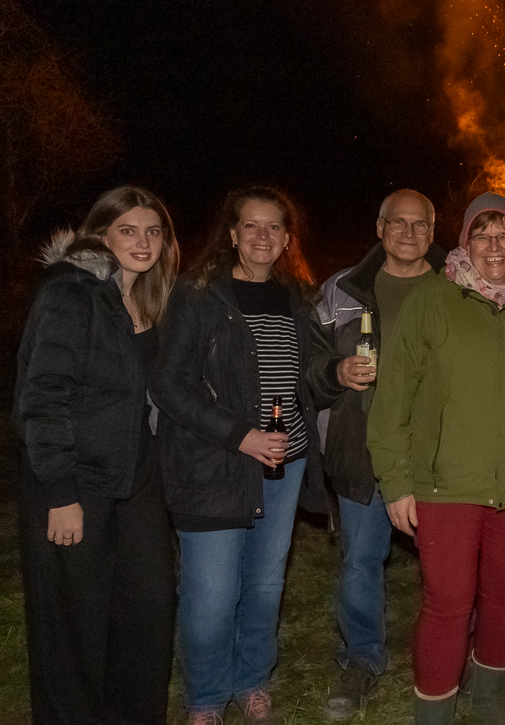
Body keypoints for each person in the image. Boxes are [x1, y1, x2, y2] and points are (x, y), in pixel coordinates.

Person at [367, 192, 505, 725]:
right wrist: (396, 481)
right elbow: (393, 398)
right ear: (464, 242)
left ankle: (489, 701)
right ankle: (433, 714)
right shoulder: (432, 299)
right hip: (445, 484)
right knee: (448, 602)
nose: (495, 246)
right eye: (483, 234)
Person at [152, 185, 323, 725]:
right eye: (251, 225)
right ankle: (206, 697)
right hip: (213, 463)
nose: (262, 236)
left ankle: (252, 680)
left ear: (287, 238)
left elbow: (308, 377)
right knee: (210, 591)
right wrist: (240, 436)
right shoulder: (199, 295)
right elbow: (169, 385)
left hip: (284, 462)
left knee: (264, 582)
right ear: (231, 234)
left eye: (274, 227)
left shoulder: (297, 298)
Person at [15, 186, 179, 725]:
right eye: (128, 230)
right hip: (73, 479)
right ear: (100, 236)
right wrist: (60, 494)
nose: (143, 242)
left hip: (136, 479)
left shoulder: (147, 298)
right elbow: (41, 398)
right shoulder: (71, 291)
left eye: (153, 231)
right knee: (75, 623)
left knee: (148, 605)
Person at [307, 189, 445, 720]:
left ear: (433, 232)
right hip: (362, 448)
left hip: (437, 450)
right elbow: (310, 363)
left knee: (447, 560)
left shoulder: (457, 288)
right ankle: (361, 657)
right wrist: (335, 373)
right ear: (380, 227)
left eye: (420, 225)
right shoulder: (341, 291)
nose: (409, 234)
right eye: (398, 224)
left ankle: (457, 654)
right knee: (361, 561)